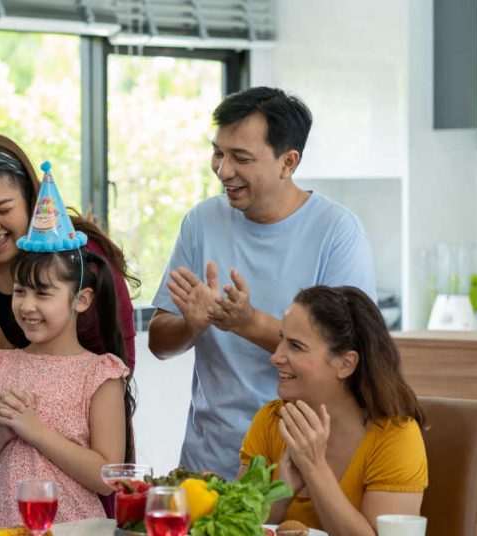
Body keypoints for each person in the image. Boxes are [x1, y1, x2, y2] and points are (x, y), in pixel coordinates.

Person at [148, 86, 377, 478]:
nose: (223, 170)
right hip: (209, 462)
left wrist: (247, 322)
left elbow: (349, 359)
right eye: (218, 153)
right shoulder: (201, 222)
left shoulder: (336, 232)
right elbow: (158, 343)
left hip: (301, 463)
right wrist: (192, 324)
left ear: (288, 162)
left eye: (241, 158)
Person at [0, 133, 137, 532]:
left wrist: (31, 425)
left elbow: (107, 466)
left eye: (2, 208)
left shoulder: (99, 367)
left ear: (81, 299)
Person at [240, 286, 427, 534]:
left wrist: (314, 468)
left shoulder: (396, 437)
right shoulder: (270, 421)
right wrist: (281, 494)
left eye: (295, 346)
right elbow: (235, 526)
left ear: (345, 364)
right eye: (281, 339)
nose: (276, 356)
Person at [0, 247, 133, 529]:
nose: (26, 305)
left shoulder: (99, 373)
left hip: (75, 529)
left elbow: (106, 478)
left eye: (43, 293)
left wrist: (35, 431)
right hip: (0, 528)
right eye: (20, 291)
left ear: (81, 299)